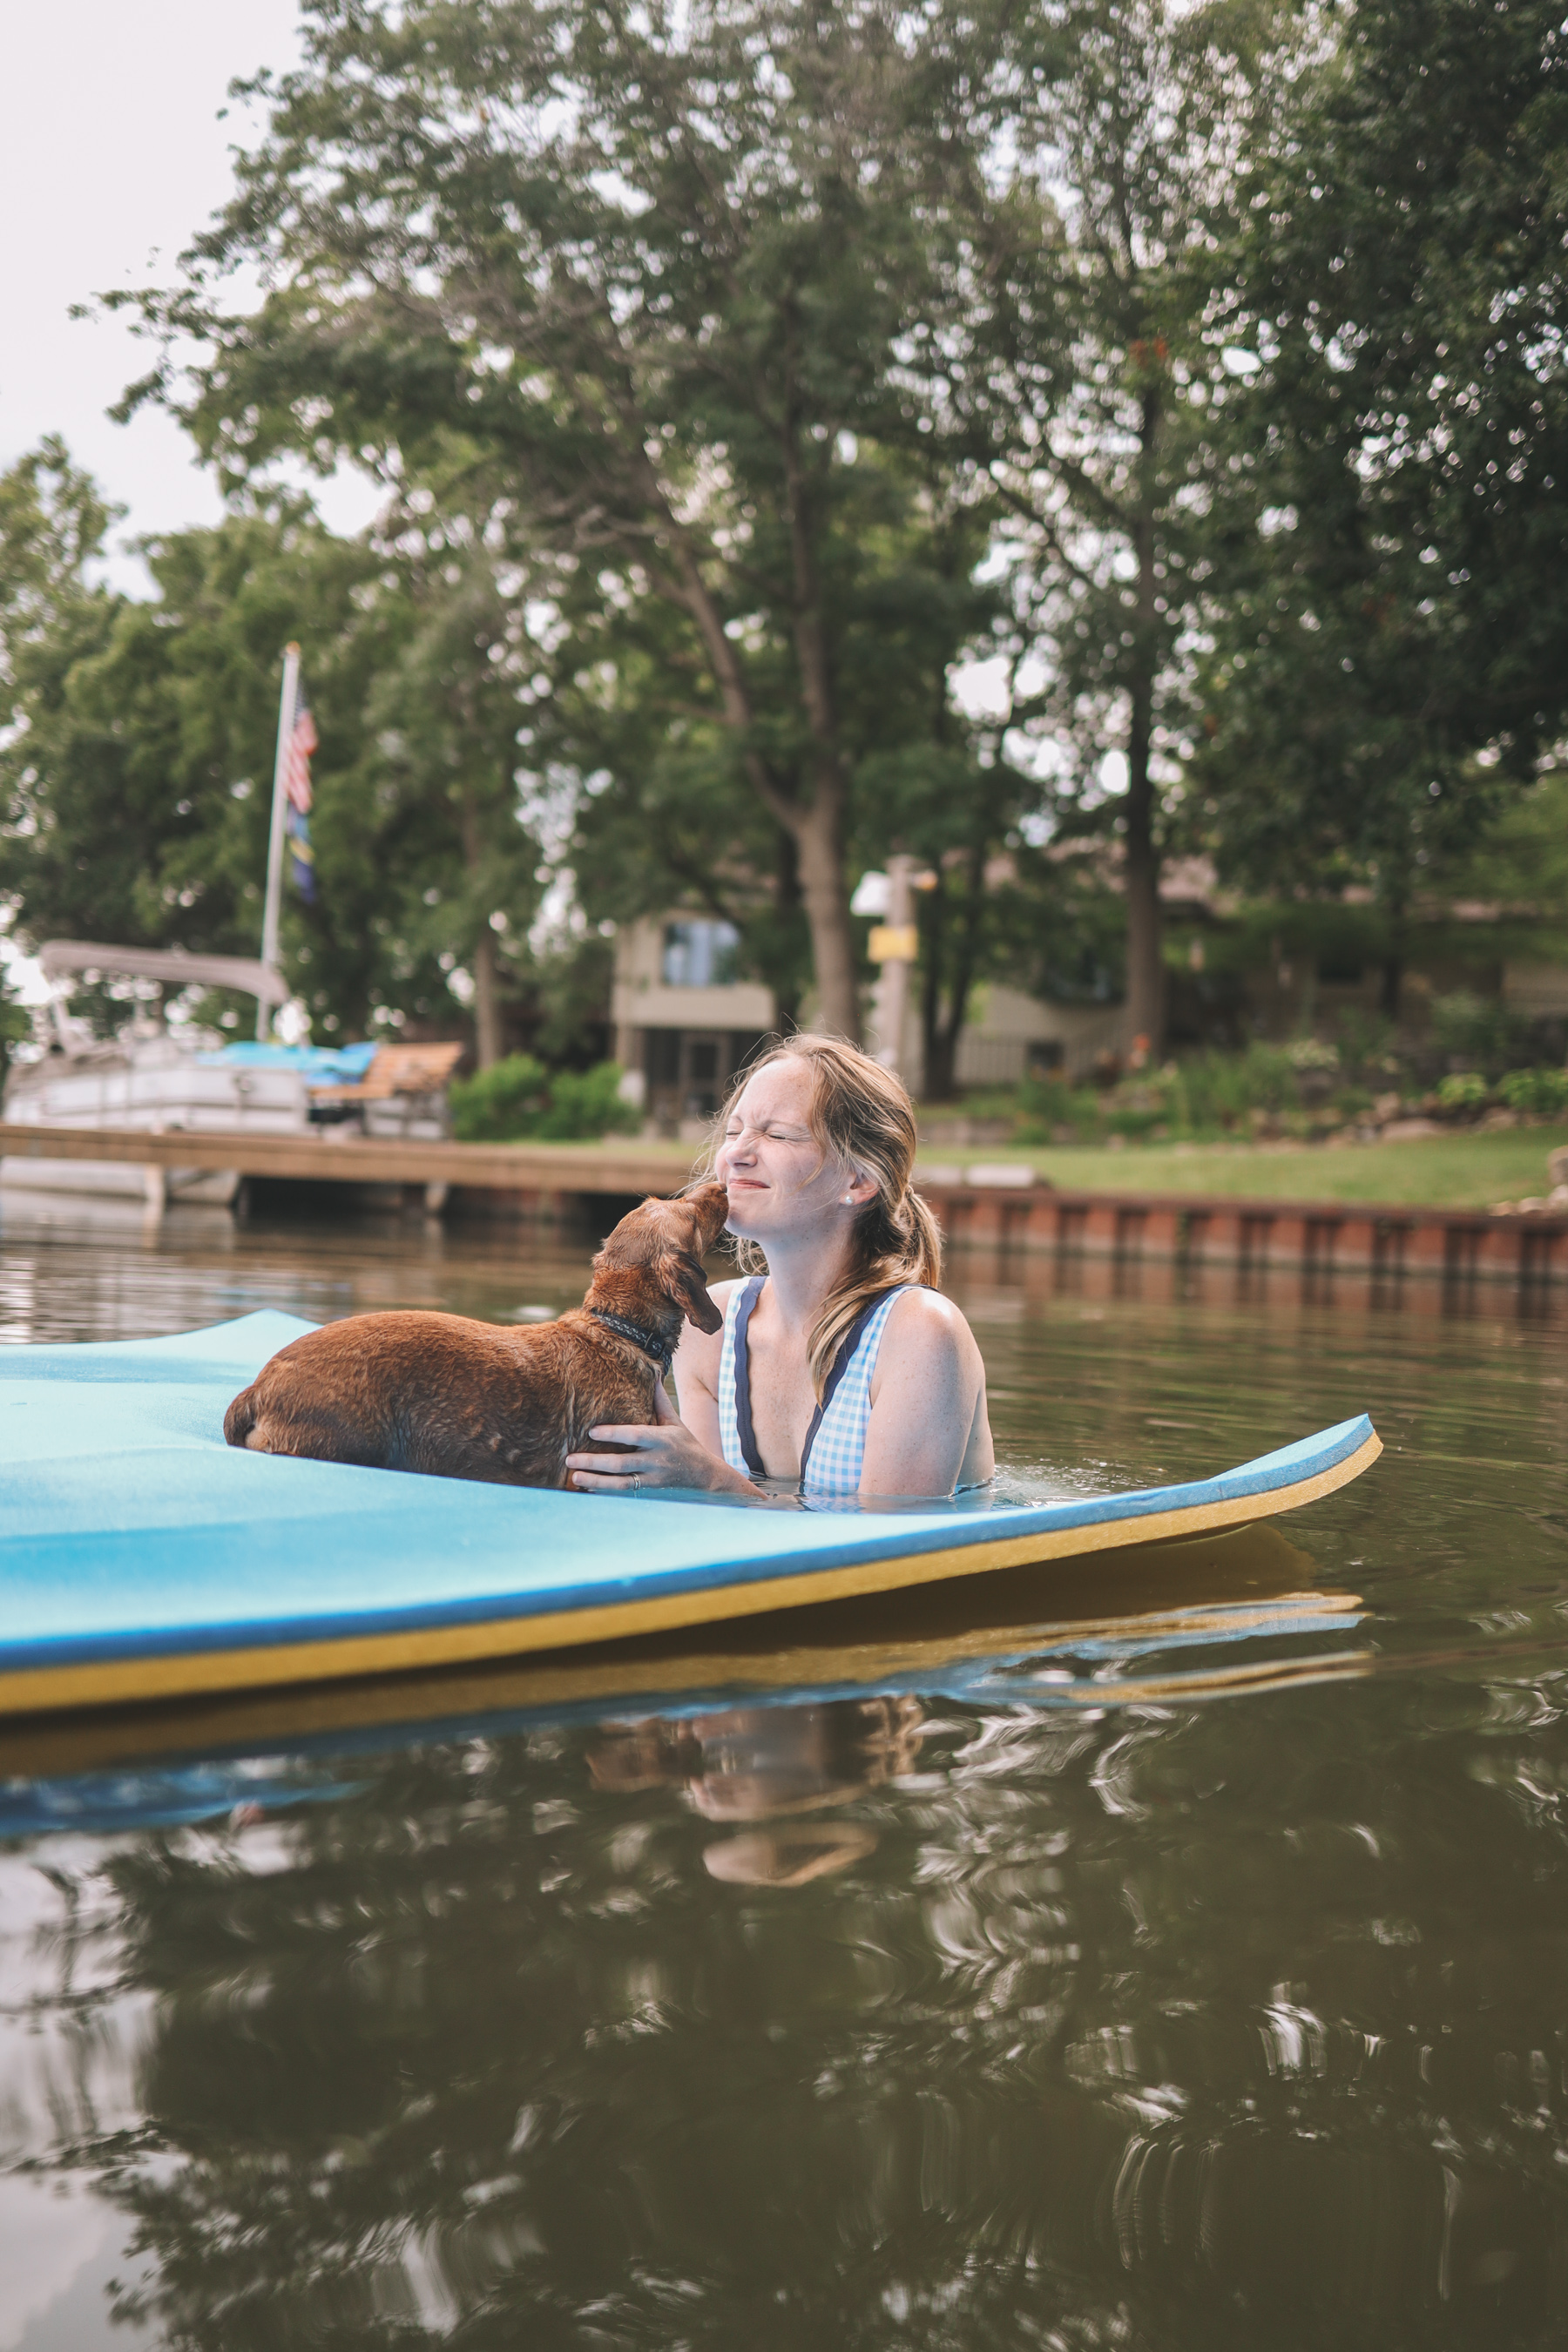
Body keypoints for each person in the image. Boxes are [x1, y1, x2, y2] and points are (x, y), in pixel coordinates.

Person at [564, 1033, 994, 1502]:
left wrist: (710, 1479)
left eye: (776, 1134)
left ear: (859, 1179)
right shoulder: (712, 1329)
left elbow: (889, 1552)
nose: (736, 1154)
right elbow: (714, 1525)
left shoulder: (920, 1333)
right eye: (733, 1131)